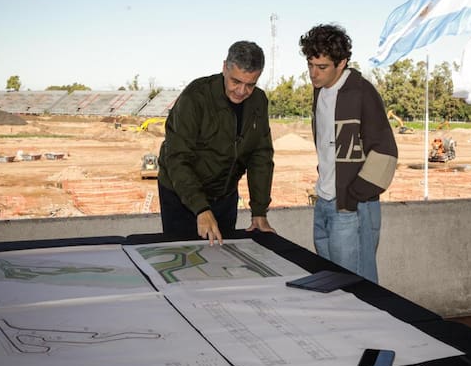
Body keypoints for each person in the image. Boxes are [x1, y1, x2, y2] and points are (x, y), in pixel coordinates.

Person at [299, 24, 398, 282]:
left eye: (322, 68)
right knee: (330, 283)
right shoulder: (320, 92)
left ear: (341, 63)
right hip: (324, 202)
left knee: (356, 287)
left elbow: (385, 151)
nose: (313, 74)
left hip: (352, 207)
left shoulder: (362, 92)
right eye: (310, 65)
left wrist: (353, 196)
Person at [157, 41, 276, 245]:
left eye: (250, 84)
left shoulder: (258, 102)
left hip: (224, 195)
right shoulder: (195, 97)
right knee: (184, 259)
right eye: (236, 82)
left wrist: (259, 212)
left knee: (220, 261)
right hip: (181, 196)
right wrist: (201, 209)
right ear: (224, 67)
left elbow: (261, 157)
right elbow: (177, 158)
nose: (241, 91)